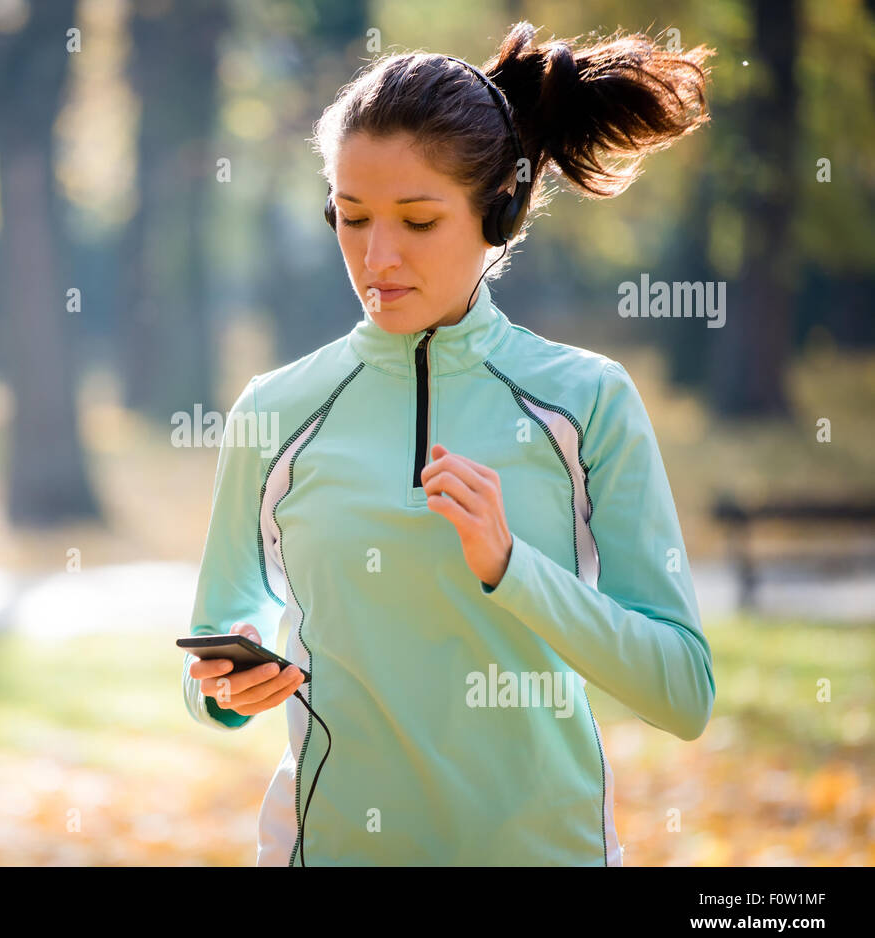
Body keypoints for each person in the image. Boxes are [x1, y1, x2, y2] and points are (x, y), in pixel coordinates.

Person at [182, 21, 717, 866]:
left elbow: (683, 690)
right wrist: (223, 693)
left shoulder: (588, 402)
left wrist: (512, 566)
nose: (376, 257)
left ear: (497, 211)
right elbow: (214, 644)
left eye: (418, 220)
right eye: (351, 217)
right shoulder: (274, 411)